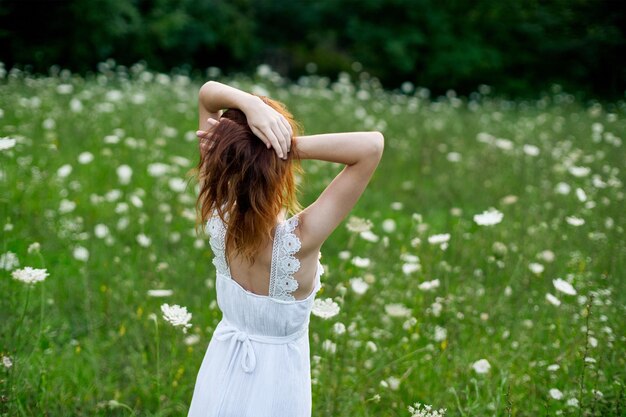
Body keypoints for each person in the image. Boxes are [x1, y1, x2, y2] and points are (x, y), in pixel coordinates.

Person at [187, 80, 384, 417]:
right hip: (280, 388)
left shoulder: (216, 215)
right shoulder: (300, 241)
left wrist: (250, 109)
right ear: (278, 166)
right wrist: (282, 146)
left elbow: (207, 94)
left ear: (223, 158)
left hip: (219, 370)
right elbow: (371, 146)